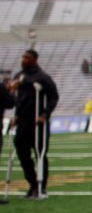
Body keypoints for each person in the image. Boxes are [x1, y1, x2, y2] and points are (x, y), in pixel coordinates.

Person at [11, 49, 59, 200]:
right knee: (21, 151)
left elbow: (53, 97)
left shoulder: (43, 77)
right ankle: (32, 183)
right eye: (23, 57)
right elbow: (19, 99)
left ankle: (41, 187)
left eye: (27, 58)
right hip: (22, 122)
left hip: (38, 123)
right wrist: (16, 116)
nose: (23, 60)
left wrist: (45, 114)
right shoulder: (18, 76)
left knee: (40, 154)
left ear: (34, 60)